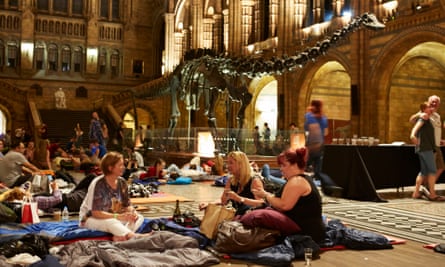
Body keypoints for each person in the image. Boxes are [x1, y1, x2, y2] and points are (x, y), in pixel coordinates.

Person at [247, 147, 326, 242]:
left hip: (306, 231)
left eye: (284, 165)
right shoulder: (298, 179)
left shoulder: (297, 181)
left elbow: (284, 205)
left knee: (258, 215)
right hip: (304, 226)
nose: (281, 169)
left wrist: (265, 195)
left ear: (295, 165)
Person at [79, 152, 151, 241]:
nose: (123, 167)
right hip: (90, 218)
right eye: (120, 165)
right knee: (112, 222)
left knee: (138, 217)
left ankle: (120, 236)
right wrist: (118, 216)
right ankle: (132, 235)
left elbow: (127, 204)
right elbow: (95, 213)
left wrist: (131, 212)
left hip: (114, 215)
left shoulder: (122, 182)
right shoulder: (98, 184)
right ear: (110, 167)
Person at [199, 151, 265, 216]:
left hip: (252, 215)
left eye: (231, 163)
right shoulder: (231, 180)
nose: (228, 166)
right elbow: (223, 201)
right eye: (228, 163)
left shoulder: (254, 181)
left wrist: (239, 199)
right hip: (239, 214)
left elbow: (261, 203)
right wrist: (209, 204)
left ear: (241, 164)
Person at [409, 95, 445, 198]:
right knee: (432, 170)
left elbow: (432, 131)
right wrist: (412, 135)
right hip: (428, 147)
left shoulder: (436, 116)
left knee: (427, 170)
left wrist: (440, 140)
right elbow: (414, 123)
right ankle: (431, 192)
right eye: (431, 103)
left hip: (433, 146)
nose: (433, 104)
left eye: (436, 102)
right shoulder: (424, 115)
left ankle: (418, 192)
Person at [304, 100, 328, 177]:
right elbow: (325, 132)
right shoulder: (324, 118)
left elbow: (307, 129)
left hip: (311, 146)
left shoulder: (309, 116)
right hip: (320, 146)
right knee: (318, 170)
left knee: (304, 167)